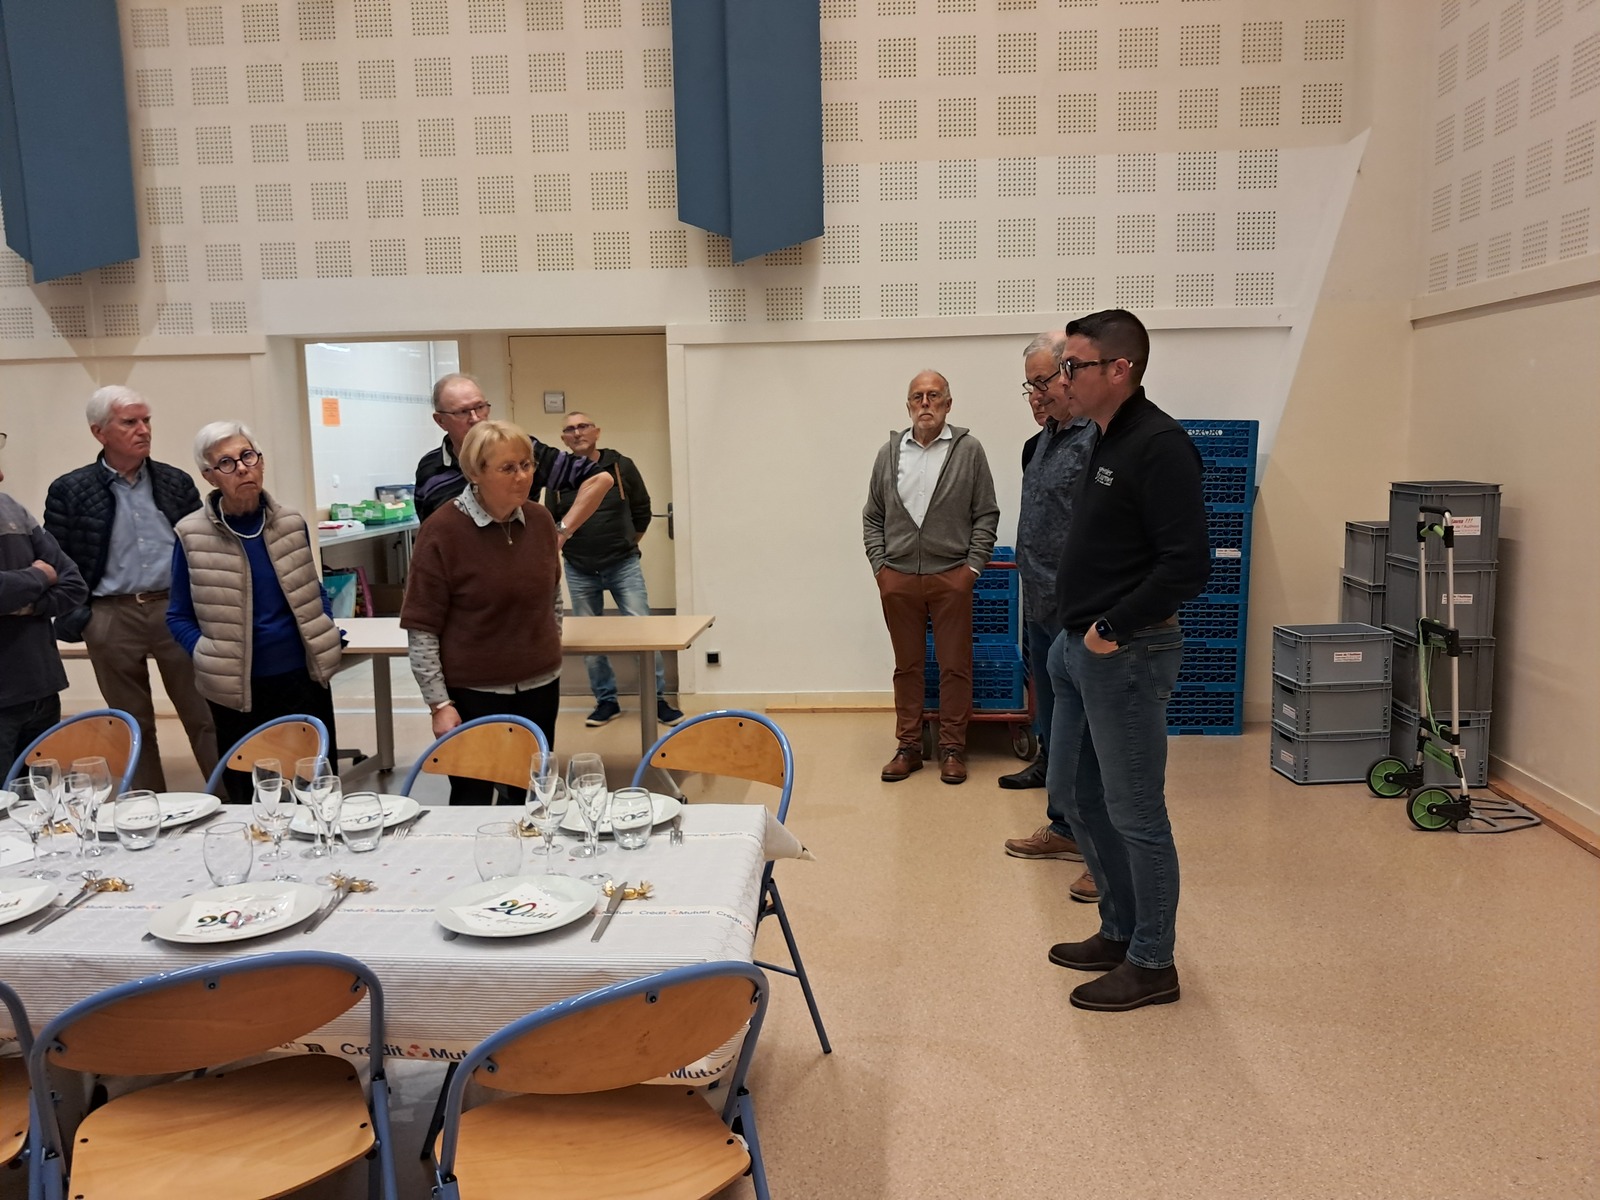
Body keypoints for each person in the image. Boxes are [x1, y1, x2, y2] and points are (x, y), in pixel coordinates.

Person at [1041, 309, 1209, 1013]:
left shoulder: (1160, 445)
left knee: (1136, 810)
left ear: (1120, 369)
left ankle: (1153, 961)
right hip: (1078, 648)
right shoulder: (1104, 436)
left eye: (1073, 366)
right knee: (1078, 796)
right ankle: (1118, 930)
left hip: (1127, 652)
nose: (1063, 378)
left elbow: (1188, 565)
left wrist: (1111, 627)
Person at [44, 385, 218, 792]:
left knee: (204, 714)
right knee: (131, 722)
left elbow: (203, 545)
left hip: (175, 610)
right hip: (110, 614)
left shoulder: (174, 482)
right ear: (99, 432)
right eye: (130, 422)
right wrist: (82, 617)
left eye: (146, 420)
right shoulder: (69, 490)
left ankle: (231, 800)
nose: (143, 430)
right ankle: (147, 805)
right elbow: (59, 558)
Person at [167, 423, 342, 804]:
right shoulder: (191, 535)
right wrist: (207, 653)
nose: (243, 468)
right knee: (253, 795)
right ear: (209, 476)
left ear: (261, 462)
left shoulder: (291, 523)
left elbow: (312, 590)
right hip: (236, 689)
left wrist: (324, 626)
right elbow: (177, 616)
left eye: (248, 456)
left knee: (316, 789)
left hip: (303, 678)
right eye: (226, 463)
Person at [402, 420, 563, 805]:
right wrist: (440, 705)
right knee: (472, 797)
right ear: (475, 473)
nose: (522, 476)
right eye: (508, 468)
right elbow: (422, 627)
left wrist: (545, 647)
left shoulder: (540, 521)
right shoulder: (443, 530)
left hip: (541, 685)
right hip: (474, 693)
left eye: (526, 464)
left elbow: (553, 598)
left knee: (531, 794)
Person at [1002, 332, 1101, 906]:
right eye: (1029, 385)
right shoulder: (1039, 443)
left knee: (1085, 735)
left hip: (1077, 613)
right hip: (1038, 607)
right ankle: (1064, 827)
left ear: (1069, 374)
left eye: (1043, 382)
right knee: (1054, 728)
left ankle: (1099, 853)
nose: (1036, 394)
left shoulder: (1096, 441)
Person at [863, 370, 999, 785]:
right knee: (907, 667)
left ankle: (952, 748)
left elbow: (986, 513)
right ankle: (908, 746)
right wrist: (881, 569)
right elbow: (873, 516)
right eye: (918, 396)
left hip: (951, 577)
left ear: (948, 404)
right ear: (908, 405)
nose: (925, 403)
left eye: (934, 395)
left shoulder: (969, 450)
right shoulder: (889, 454)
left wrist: (970, 569)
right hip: (899, 578)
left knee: (955, 665)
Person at [545, 411, 683, 729]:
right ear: (563, 438)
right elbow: (552, 521)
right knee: (590, 640)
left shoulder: (620, 466)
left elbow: (642, 510)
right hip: (579, 568)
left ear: (597, 432)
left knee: (643, 634)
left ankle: (657, 700)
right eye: (570, 429)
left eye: (583, 426)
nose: (577, 432)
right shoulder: (557, 476)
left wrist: (627, 543)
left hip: (623, 565)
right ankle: (606, 701)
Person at [414, 373, 614, 531]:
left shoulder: (521, 449)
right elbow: (430, 532)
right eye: (463, 412)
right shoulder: (429, 468)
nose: (475, 418)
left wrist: (562, 532)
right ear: (440, 420)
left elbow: (598, 478)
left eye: (480, 407)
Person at [0, 432, 89, 773]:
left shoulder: (13, 509)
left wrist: (25, 605)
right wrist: (39, 576)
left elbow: (73, 584)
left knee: (43, 798)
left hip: (41, 688)